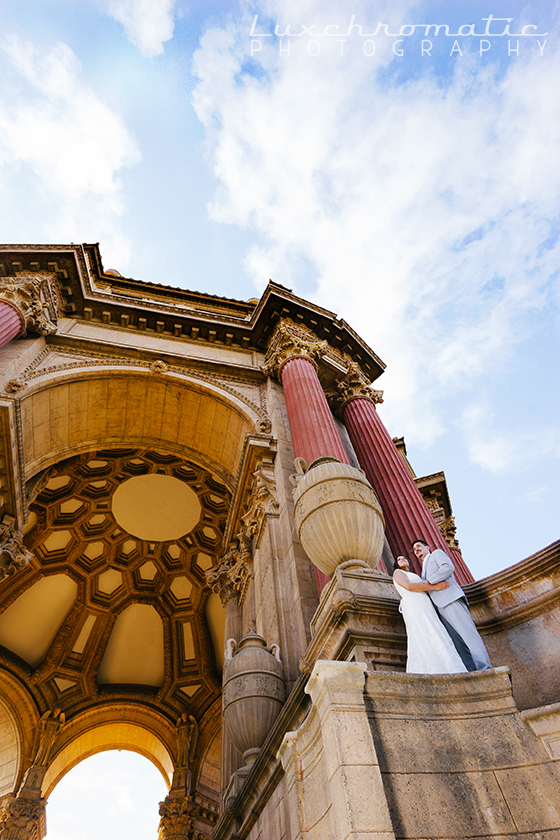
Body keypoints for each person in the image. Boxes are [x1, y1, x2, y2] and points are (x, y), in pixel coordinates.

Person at [412, 539, 492, 671]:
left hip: (450, 599)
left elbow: (448, 567)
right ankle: (471, 671)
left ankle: (484, 668)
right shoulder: (423, 569)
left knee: (469, 636)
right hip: (440, 607)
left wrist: (429, 582)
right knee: (458, 644)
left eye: (419, 546)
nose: (417, 550)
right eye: (414, 549)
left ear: (427, 547)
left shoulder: (436, 554)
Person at [393, 556, 468, 674]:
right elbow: (409, 586)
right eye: (399, 559)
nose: (402, 559)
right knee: (422, 631)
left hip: (424, 602)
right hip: (413, 602)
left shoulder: (414, 574)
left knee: (434, 629)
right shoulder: (398, 572)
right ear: (396, 564)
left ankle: (447, 667)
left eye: (404, 558)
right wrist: (435, 587)